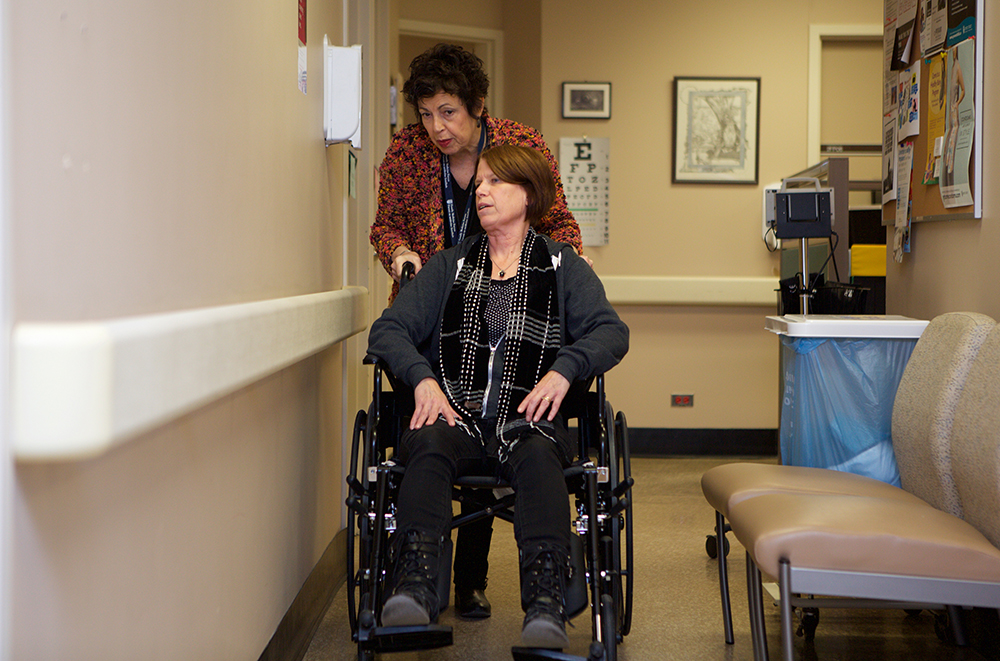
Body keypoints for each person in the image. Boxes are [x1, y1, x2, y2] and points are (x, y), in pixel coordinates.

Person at [367, 145, 628, 648]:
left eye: (495, 183)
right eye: (478, 183)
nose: (480, 192)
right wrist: (422, 379)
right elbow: (389, 331)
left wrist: (563, 371)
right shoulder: (452, 264)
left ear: (528, 195)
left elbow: (610, 332)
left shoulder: (562, 266)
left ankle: (546, 604)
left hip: (526, 421)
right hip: (457, 416)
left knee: (537, 457)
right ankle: (416, 587)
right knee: (424, 441)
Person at [370, 43, 586, 619]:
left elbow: (558, 218)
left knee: (500, 411)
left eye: (448, 111)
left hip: (510, 302)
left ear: (477, 106)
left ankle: (470, 580)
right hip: (430, 306)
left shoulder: (519, 146)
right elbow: (386, 223)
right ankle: (421, 578)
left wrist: (561, 274)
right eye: (425, 113)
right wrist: (401, 255)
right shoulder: (406, 153)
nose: (436, 127)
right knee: (442, 428)